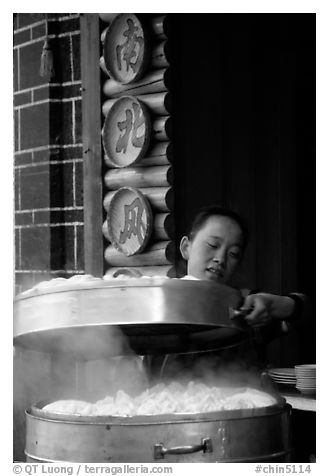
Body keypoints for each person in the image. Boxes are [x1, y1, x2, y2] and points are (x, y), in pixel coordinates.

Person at [149, 206, 309, 380]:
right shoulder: (160, 302)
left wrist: (278, 304)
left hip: (238, 402)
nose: (221, 258)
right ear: (185, 247)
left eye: (233, 254)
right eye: (212, 245)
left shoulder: (245, 306)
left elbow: (308, 313)